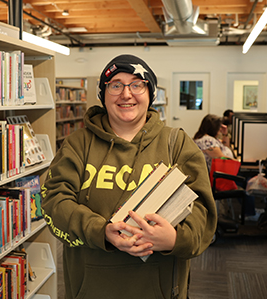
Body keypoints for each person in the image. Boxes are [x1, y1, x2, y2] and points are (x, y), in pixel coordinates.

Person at [41, 54, 217, 299]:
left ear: (150, 94)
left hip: (161, 289)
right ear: (103, 95)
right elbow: (54, 203)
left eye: (137, 84)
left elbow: (203, 214)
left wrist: (174, 239)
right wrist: (100, 231)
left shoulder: (176, 144)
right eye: (115, 85)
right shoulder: (77, 144)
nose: (126, 94)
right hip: (91, 289)